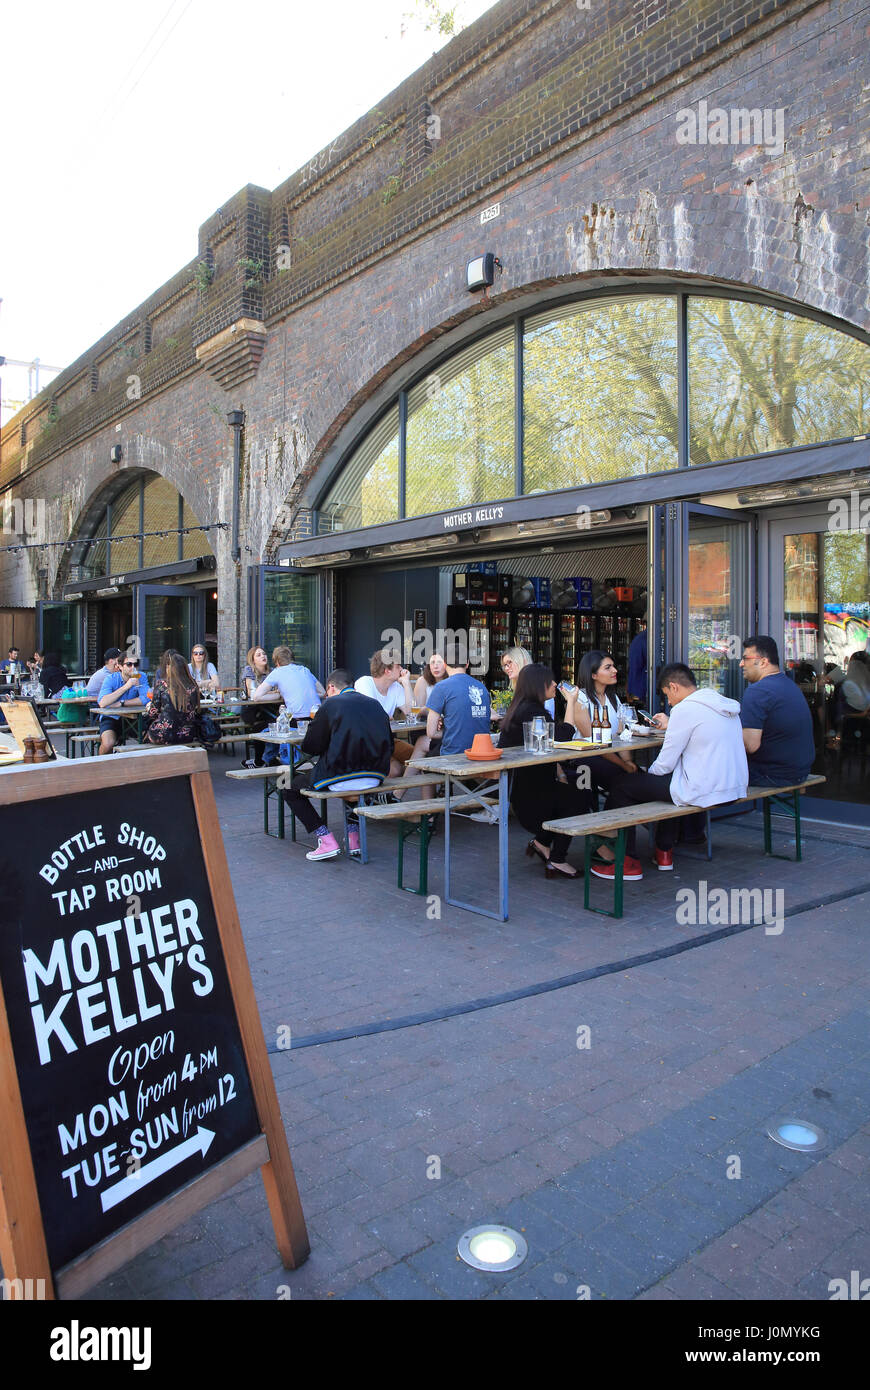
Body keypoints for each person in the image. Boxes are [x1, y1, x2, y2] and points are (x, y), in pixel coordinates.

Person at [601, 662, 748, 877]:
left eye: (667, 694)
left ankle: (628, 862)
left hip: (703, 789)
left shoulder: (685, 709)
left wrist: (645, 776)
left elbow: (665, 763)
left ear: (674, 686)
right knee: (665, 786)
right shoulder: (723, 705)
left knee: (623, 786)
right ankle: (664, 851)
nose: (668, 701)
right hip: (732, 786)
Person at [281, 669, 393, 862]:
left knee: (287, 786)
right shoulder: (375, 705)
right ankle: (353, 838)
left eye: (326, 691)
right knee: (351, 784)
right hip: (375, 778)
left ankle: (325, 839)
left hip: (340, 777)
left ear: (331, 687)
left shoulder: (331, 704)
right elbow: (390, 744)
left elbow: (311, 747)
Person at [499, 664, 595, 879]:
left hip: (531, 786)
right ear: (537, 685)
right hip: (530, 797)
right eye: (549, 681)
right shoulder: (531, 710)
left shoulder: (526, 707)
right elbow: (562, 736)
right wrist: (570, 702)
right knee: (580, 795)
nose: (554, 684)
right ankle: (557, 858)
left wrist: (560, 773)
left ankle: (542, 842)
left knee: (582, 784)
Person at [739, 636, 816, 785]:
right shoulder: (789, 685)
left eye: (745, 658)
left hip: (773, 774)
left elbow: (750, 745)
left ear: (763, 661)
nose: (741, 664)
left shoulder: (758, 691)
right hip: (800, 771)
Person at [355, 648, 414, 778]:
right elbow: (375, 714)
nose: (401, 669)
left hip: (387, 741)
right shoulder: (364, 683)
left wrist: (406, 683)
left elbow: (410, 713)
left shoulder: (396, 687)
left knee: (418, 757)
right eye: (398, 666)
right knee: (395, 770)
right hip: (367, 744)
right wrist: (386, 717)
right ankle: (382, 796)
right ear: (387, 671)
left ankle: (394, 796)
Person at [251, 645, 321, 720]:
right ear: (292, 659)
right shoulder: (305, 670)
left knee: (273, 723)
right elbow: (323, 692)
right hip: (319, 716)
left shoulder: (277, 672)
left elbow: (256, 697)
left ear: (277, 662)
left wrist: (278, 696)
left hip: (298, 719)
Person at [97, 654, 149, 754]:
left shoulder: (140, 676)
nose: (133, 668)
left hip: (133, 718)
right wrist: (126, 686)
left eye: (136, 664)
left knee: (149, 738)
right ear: (120, 666)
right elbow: (103, 702)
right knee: (108, 744)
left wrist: (122, 703)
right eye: (129, 664)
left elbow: (146, 698)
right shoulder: (111, 679)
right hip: (112, 717)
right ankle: (100, 766)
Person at [146, 652, 201, 744]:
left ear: (169, 668)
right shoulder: (193, 685)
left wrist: (149, 707)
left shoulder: (162, 685)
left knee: (145, 729)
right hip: (187, 735)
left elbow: (152, 713)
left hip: (164, 735)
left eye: (167, 666)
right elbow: (195, 711)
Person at [240, 645, 273, 767]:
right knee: (260, 727)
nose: (263, 656)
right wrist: (271, 692)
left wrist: (266, 692)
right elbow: (251, 692)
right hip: (252, 710)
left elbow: (279, 690)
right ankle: (259, 761)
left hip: (269, 708)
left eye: (264, 654)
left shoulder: (272, 671)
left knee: (273, 724)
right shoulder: (249, 670)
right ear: (253, 659)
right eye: (258, 655)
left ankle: (268, 758)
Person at [626, 624, 647, 704]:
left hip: (638, 689)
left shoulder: (640, 638)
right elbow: (636, 666)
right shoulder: (644, 639)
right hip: (642, 689)